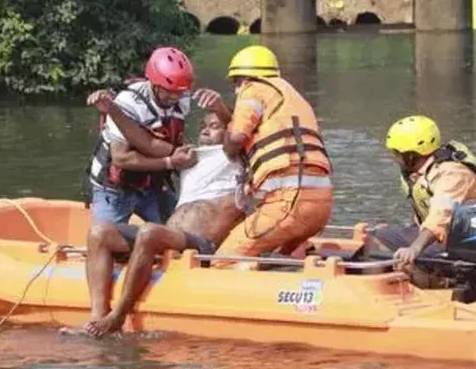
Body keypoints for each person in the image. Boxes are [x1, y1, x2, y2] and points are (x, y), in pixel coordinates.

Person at [80, 100, 243, 337]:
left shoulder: (237, 157)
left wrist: (220, 107)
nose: (206, 131)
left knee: (150, 231)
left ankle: (118, 316)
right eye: (203, 126)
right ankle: (97, 316)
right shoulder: (188, 157)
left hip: (203, 243)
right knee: (99, 233)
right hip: (171, 236)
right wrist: (114, 110)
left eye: (215, 126)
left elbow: (239, 132)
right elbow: (142, 142)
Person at [216, 44, 333, 260]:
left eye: (237, 83)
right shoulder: (293, 97)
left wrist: (226, 129)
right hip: (321, 206)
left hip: (287, 202)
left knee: (224, 260)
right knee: (277, 257)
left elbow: (236, 139)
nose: (236, 90)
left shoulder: (253, 89)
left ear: (246, 78)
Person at [87, 46, 197, 226]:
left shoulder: (182, 98)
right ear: (153, 83)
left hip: (153, 184)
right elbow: (121, 158)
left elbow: (166, 138)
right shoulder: (128, 103)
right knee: (104, 237)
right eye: (168, 90)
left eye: (179, 92)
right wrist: (170, 162)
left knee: (179, 229)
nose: (174, 97)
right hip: (115, 190)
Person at [369, 115, 476, 279]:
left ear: (412, 155)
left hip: (467, 244)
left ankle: (435, 282)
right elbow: (425, 212)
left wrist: (414, 248)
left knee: (412, 258)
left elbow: (440, 216)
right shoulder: (419, 173)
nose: (395, 158)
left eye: (397, 153)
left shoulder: (452, 175)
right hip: (442, 237)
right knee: (378, 236)